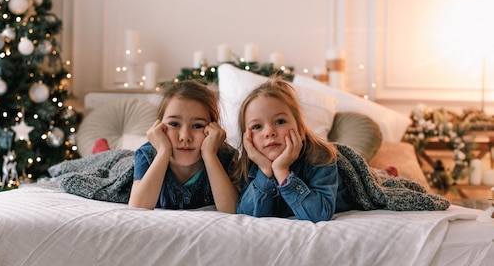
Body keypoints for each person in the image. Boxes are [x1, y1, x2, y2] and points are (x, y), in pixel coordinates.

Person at [234, 75, 357, 222]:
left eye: (280, 121)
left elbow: (318, 215)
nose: (269, 132)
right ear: (246, 138)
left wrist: (282, 171)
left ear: (299, 128)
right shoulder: (248, 165)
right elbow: (246, 215)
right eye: (257, 127)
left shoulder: (321, 157)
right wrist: (265, 171)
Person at [129, 80, 239, 212]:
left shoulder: (224, 156)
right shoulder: (147, 153)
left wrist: (210, 155)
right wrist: (164, 152)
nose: (185, 136)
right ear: (159, 126)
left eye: (198, 126)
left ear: (213, 128)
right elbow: (137, 207)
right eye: (174, 124)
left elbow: (232, 209)